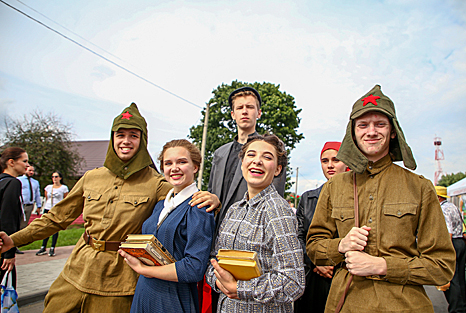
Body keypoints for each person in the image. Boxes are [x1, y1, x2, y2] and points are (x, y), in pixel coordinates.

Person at [0, 103, 218, 313]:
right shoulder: (92, 177)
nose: (126, 141)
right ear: (112, 138)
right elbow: (56, 218)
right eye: (120, 135)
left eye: (134, 135)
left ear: (143, 141)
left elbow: (184, 204)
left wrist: (211, 201)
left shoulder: (157, 184)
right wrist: (14, 240)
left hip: (118, 281)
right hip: (76, 271)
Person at [306, 85, 456, 313]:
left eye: (380, 124)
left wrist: (384, 266)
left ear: (393, 131)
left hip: (405, 306)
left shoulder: (420, 187)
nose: (371, 131)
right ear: (353, 133)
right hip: (345, 304)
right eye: (363, 125)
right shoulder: (334, 187)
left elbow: (441, 267)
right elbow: (314, 247)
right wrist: (341, 245)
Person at [202, 86, 287, 311]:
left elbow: (273, 197)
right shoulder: (220, 153)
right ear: (232, 114)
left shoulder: (268, 151)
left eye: (250, 107)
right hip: (218, 239)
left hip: (252, 243)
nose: (244, 112)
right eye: (239, 108)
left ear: (259, 113)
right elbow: (213, 193)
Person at [206, 134, 304, 312]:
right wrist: (219, 281)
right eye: (251, 155)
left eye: (267, 157)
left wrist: (240, 289)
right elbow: (214, 261)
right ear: (242, 164)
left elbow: (293, 281)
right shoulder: (234, 209)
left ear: (277, 169)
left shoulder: (278, 211)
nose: (257, 161)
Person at [119, 139, 215, 312]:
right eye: (168, 163)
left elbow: (194, 268)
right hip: (144, 292)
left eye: (182, 162)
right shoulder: (161, 205)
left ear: (195, 167)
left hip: (172, 298)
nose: (174, 168)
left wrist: (144, 270)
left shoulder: (199, 208)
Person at [294, 141, 348, 313]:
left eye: (336, 160)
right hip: (313, 278)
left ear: (346, 162)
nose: (330, 165)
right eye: (325, 161)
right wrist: (316, 261)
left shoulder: (358, 198)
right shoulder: (308, 199)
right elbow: (298, 237)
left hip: (345, 277)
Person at [0, 147, 29, 288]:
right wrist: (9, 252)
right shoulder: (12, 183)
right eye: (24, 161)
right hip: (3, 247)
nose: (28, 165)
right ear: (11, 162)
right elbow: (8, 218)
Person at [435, 186, 466, 313]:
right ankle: (462, 306)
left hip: (451, 243)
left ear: (438, 197)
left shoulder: (442, 210)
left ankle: (456, 309)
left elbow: (447, 232)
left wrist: (444, 250)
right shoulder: (452, 207)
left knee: (451, 278)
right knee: (460, 279)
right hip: (460, 242)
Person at [35, 171, 69, 257]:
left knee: (54, 228)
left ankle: (52, 247)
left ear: (60, 178)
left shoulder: (63, 188)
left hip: (57, 209)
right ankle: (43, 246)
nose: (54, 178)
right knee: (46, 227)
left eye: (56, 177)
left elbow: (65, 199)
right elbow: (47, 197)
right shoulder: (48, 187)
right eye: (53, 177)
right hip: (48, 208)